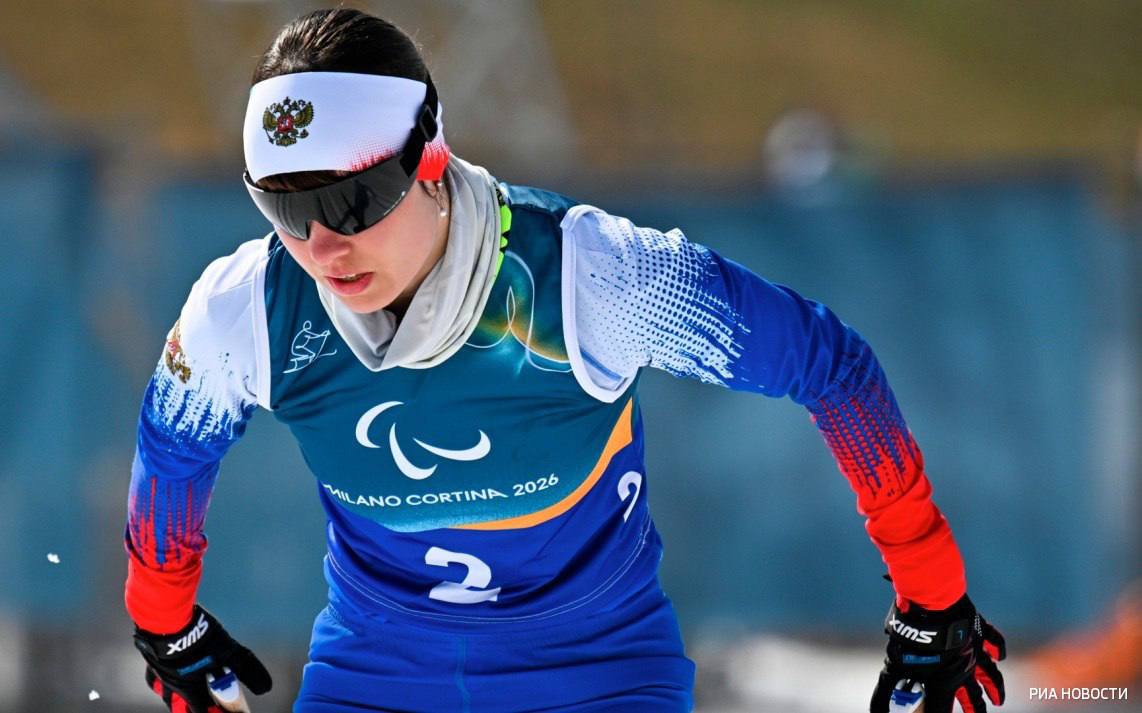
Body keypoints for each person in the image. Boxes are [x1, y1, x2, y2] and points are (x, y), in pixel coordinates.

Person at [123, 9, 1006, 713]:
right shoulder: (248, 308)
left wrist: (931, 591)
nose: (322, 246)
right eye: (284, 208)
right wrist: (163, 621)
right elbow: (173, 447)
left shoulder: (593, 279)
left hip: (598, 678)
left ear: (429, 156)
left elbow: (829, 365)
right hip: (375, 679)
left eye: (353, 200)